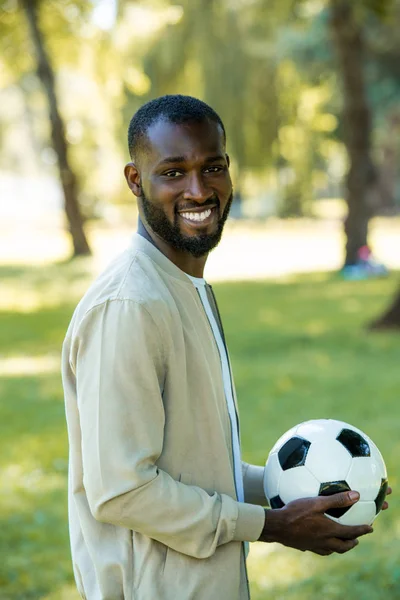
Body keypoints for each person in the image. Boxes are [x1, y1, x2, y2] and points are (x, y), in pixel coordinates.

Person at [62, 95, 390, 600]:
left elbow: (193, 467)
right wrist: (271, 525)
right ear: (135, 180)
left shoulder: (179, 286)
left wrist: (326, 490)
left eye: (212, 167)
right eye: (173, 172)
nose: (199, 190)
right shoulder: (129, 306)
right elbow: (124, 490)